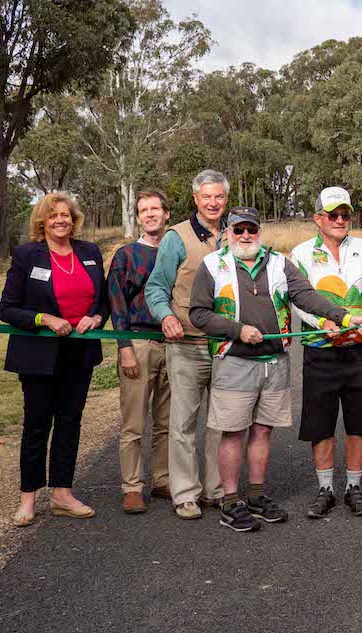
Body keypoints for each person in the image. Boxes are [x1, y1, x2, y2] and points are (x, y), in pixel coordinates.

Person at [190, 207, 362, 532]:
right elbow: (198, 314)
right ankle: (230, 502)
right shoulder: (212, 265)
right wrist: (236, 329)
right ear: (228, 232)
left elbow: (306, 296)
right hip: (234, 359)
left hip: (274, 362)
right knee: (232, 432)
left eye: (252, 230)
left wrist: (343, 317)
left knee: (262, 430)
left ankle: (256, 496)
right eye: (239, 230)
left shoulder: (277, 262)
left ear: (260, 232)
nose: (246, 236)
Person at [0, 192, 109, 527]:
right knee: (36, 425)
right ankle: (27, 500)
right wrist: (44, 319)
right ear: (42, 221)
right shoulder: (26, 255)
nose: (60, 220)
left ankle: (62, 494)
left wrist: (96, 317)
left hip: (79, 354)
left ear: (74, 219)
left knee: (69, 423)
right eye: (53, 215)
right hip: (39, 355)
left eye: (66, 215)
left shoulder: (89, 252)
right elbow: (7, 308)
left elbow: (103, 301)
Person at [290, 186, 362, 519]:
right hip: (321, 349)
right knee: (320, 423)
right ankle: (325, 489)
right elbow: (297, 297)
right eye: (332, 215)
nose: (339, 220)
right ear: (318, 218)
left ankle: (353, 487)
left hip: (358, 349)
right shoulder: (301, 253)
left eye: (345, 215)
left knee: (357, 423)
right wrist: (320, 320)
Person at [145, 170, 229, 520]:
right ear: (195, 199)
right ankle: (185, 493)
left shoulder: (235, 234)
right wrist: (165, 317)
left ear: (226, 199)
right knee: (183, 422)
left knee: (222, 422)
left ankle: (216, 489)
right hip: (187, 344)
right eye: (206, 197)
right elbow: (155, 289)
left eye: (219, 197)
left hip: (225, 346)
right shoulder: (175, 238)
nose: (213, 203)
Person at [108, 190, 173, 514]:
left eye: (155, 209)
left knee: (167, 422)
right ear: (138, 217)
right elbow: (116, 303)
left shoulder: (178, 253)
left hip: (174, 345)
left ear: (166, 214)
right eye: (143, 210)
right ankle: (132, 487)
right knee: (134, 423)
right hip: (138, 342)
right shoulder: (127, 255)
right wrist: (125, 348)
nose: (149, 214)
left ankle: (162, 479)